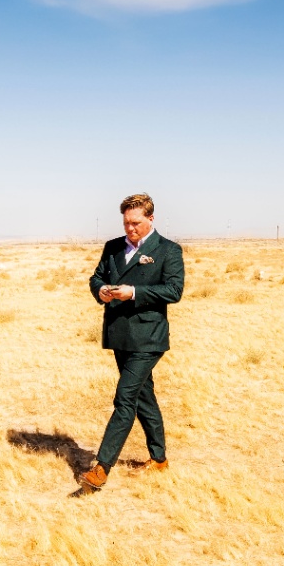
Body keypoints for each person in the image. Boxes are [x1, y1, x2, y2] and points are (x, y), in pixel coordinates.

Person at [78, 193, 185, 494]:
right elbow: (96, 278)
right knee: (142, 396)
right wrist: (100, 291)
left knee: (125, 397)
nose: (130, 229)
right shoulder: (113, 247)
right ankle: (159, 459)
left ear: (151, 219)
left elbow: (173, 290)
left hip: (148, 337)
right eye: (126, 223)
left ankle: (101, 468)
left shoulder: (168, 251)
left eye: (136, 223)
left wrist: (134, 292)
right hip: (119, 334)